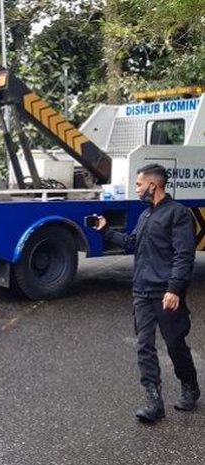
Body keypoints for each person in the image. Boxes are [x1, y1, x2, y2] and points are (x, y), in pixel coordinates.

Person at [94, 163, 199, 423]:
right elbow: (132, 243)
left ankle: (190, 386)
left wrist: (174, 289)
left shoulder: (178, 214)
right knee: (144, 346)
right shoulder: (145, 216)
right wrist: (106, 230)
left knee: (175, 345)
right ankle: (154, 401)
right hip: (141, 291)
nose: (137, 189)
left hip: (165, 293)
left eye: (140, 184)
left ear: (153, 185)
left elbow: (184, 256)